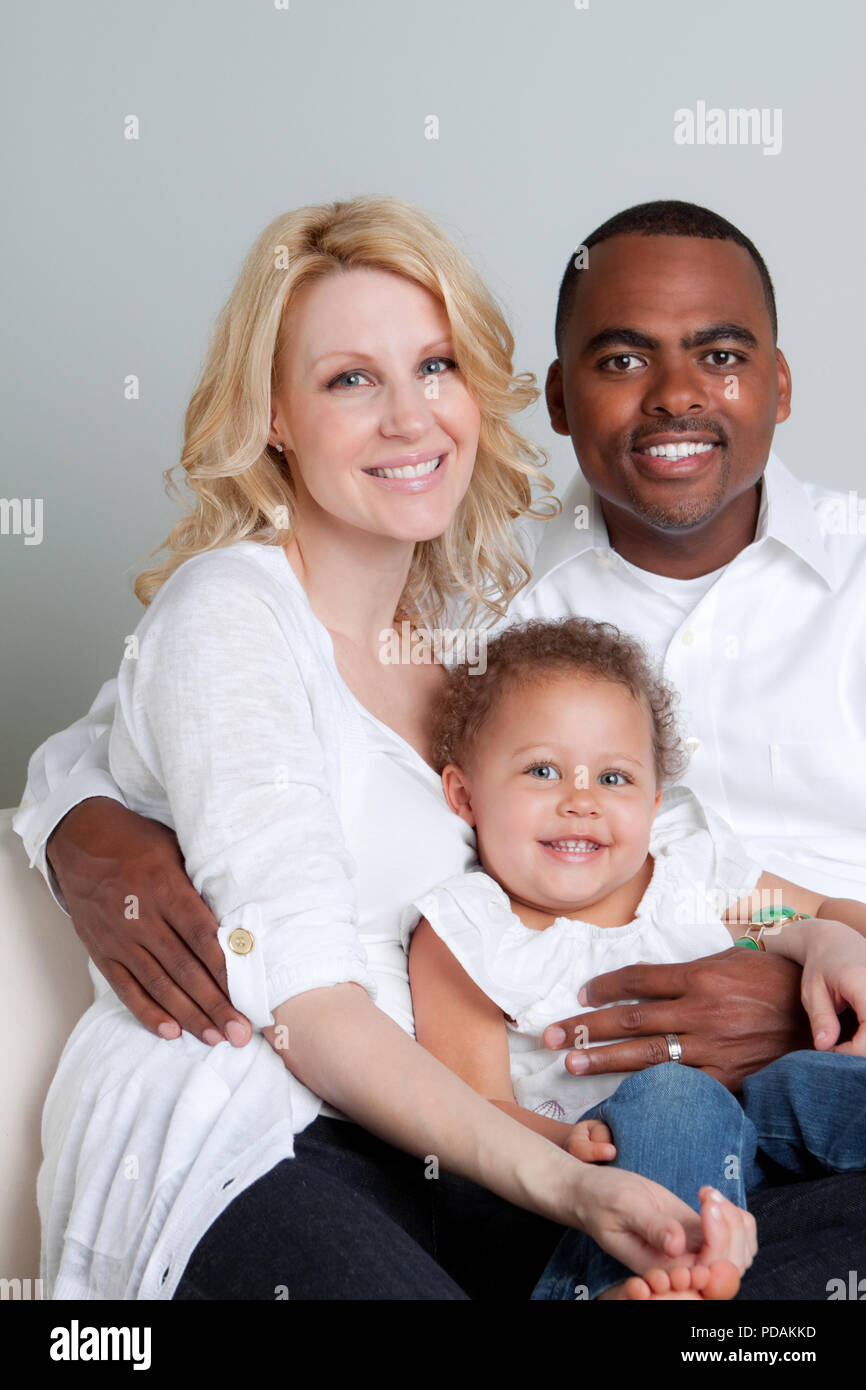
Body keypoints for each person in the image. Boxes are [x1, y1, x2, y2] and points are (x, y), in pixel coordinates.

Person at [15, 198, 865, 1296]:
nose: (409, 419)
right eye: (348, 379)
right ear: (273, 412)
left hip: (477, 1148)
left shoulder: (480, 629)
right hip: (268, 1122)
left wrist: (805, 940)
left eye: (433, 366)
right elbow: (302, 990)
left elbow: (706, 873)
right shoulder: (236, 609)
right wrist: (80, 828)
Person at [405, 616, 866, 1300]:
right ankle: (630, 1281)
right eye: (542, 770)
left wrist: (827, 938)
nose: (582, 801)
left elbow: (810, 915)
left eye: (614, 778)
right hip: (607, 1172)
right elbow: (473, 1109)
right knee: (674, 1092)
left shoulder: (686, 867)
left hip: (755, 1129)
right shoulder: (468, 932)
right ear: (465, 795)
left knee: (818, 1084)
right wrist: (566, 1149)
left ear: (654, 803)